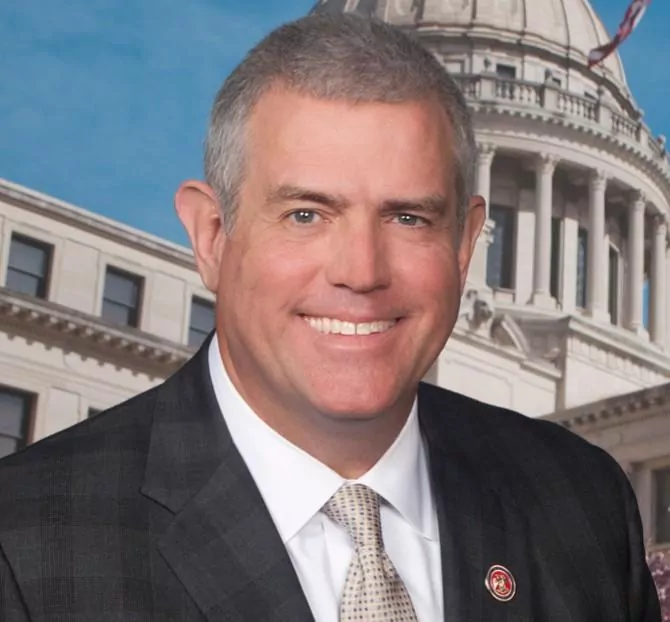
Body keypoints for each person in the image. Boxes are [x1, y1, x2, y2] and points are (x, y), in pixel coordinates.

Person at [0, 13, 661, 622]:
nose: (361, 272)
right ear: (212, 237)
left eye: (409, 217)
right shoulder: (28, 540)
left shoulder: (583, 507)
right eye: (306, 215)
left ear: (466, 244)